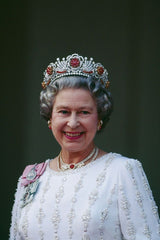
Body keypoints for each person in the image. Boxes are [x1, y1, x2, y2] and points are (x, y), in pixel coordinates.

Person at [9, 53, 160, 240]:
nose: (73, 123)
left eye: (84, 112)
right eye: (64, 111)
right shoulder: (31, 177)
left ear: (99, 119)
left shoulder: (122, 171)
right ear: (50, 118)